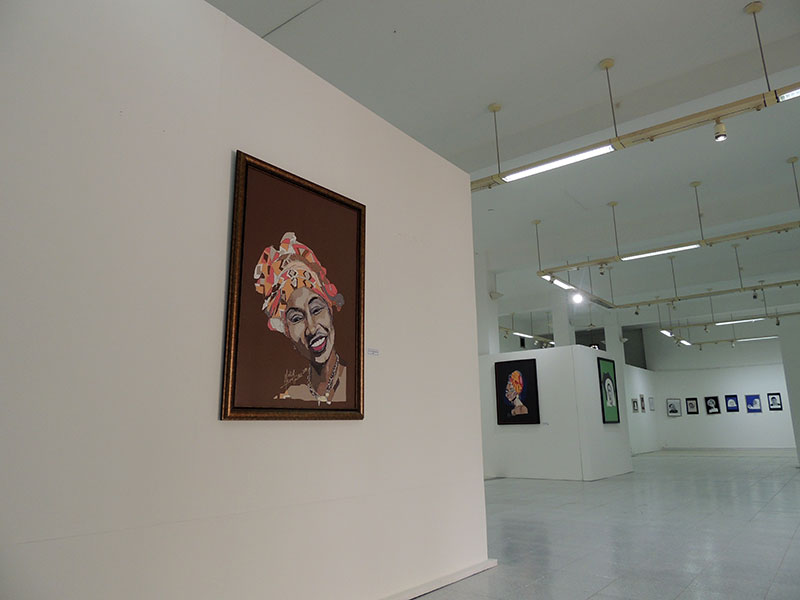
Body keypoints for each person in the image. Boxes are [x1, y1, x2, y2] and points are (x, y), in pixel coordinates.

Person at [253, 232, 346, 405]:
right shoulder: (290, 396)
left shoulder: (357, 382)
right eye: (296, 318)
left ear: (330, 309)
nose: (311, 328)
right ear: (285, 329)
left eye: (317, 309)